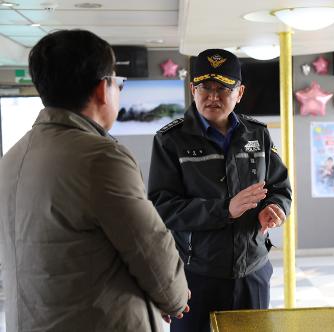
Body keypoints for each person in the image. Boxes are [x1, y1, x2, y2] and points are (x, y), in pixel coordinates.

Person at [0, 29, 189, 331]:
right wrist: (175, 299)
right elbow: (149, 247)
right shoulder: (101, 158)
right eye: (119, 82)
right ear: (103, 89)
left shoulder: (12, 157)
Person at [148, 48, 292, 332]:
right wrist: (225, 209)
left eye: (224, 88)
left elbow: (279, 187)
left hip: (253, 270)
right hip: (196, 273)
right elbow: (161, 208)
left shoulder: (258, 133)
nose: (213, 96)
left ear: (239, 93)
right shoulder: (170, 140)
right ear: (193, 90)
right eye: (205, 87)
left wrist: (274, 209)